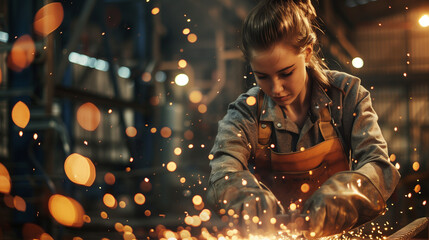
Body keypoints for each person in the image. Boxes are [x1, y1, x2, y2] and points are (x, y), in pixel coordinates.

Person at [206, 0, 400, 238]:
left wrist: (337, 199)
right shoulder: (246, 112)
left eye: (286, 73)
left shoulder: (346, 96)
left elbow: (378, 166)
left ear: (307, 53)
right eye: (262, 76)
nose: (275, 88)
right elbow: (224, 173)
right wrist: (256, 209)